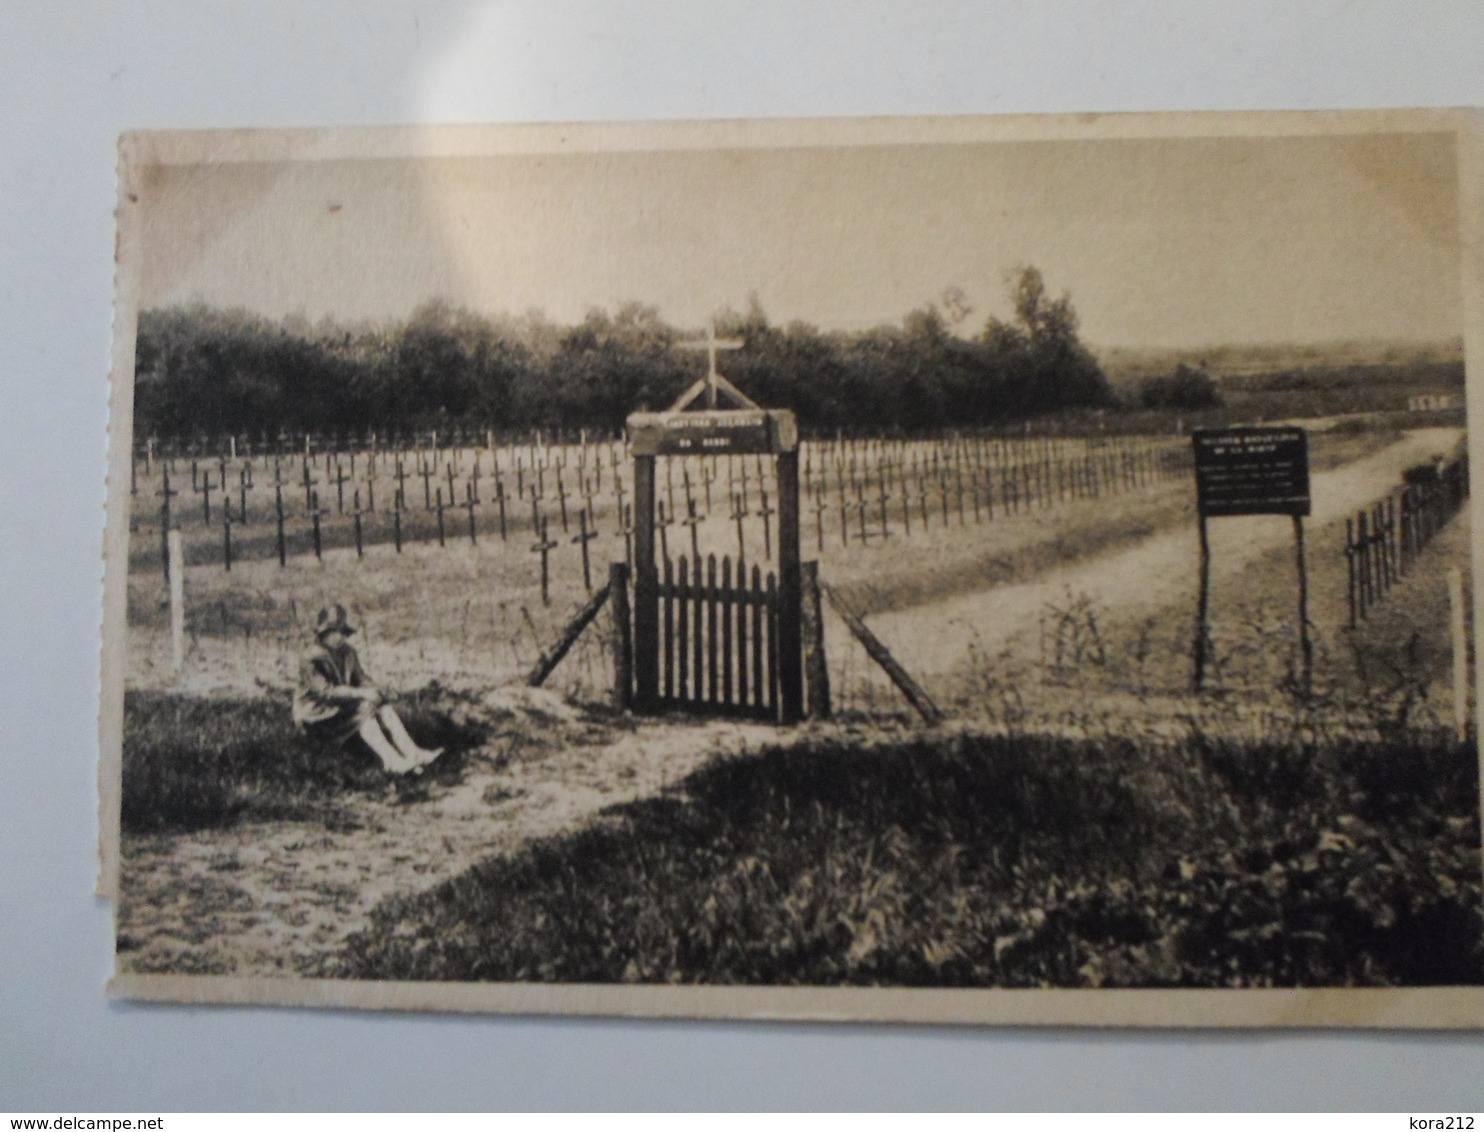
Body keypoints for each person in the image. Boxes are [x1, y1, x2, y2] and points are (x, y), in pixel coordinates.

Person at [293, 603, 442, 776]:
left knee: (383, 707)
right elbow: (326, 693)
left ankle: (414, 754)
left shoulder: (348, 652)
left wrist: (379, 690)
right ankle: (392, 762)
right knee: (365, 710)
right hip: (316, 716)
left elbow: (361, 679)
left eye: (341, 631)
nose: (338, 637)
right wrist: (362, 693)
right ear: (322, 634)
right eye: (333, 632)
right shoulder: (310, 657)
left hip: (339, 709)